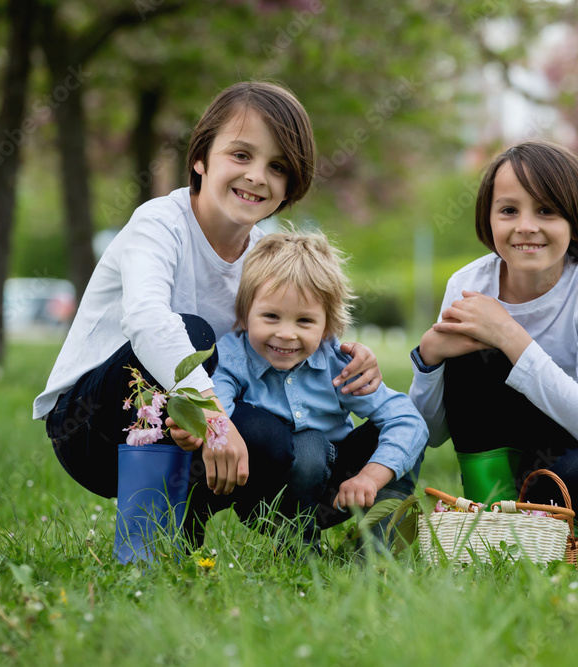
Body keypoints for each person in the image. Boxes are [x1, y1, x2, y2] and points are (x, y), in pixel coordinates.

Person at [34, 81, 383, 551]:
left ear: (290, 184)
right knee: (191, 334)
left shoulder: (266, 256)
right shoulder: (159, 224)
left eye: (277, 166)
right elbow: (147, 322)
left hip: (188, 417)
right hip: (91, 426)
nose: (257, 176)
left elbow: (292, 336)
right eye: (241, 155)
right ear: (201, 158)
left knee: (274, 436)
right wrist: (214, 418)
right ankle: (144, 541)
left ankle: (181, 534)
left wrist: (348, 357)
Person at [409, 140, 578, 537]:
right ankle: (493, 514)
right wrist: (428, 359)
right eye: (509, 210)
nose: (526, 226)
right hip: (535, 441)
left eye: (546, 210)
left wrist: (510, 335)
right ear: (489, 218)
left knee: (573, 486)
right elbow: (431, 433)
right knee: (470, 354)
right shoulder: (468, 286)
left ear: (575, 219)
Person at [173, 230, 426, 544]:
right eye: (270, 316)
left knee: (404, 435)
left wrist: (370, 476)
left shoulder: (339, 365)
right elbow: (217, 406)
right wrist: (202, 426)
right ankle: (297, 543)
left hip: (336, 491)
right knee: (308, 446)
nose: (286, 334)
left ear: (328, 325)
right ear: (244, 315)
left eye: (304, 321)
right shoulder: (233, 357)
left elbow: (408, 420)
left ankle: (375, 548)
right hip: (263, 493)